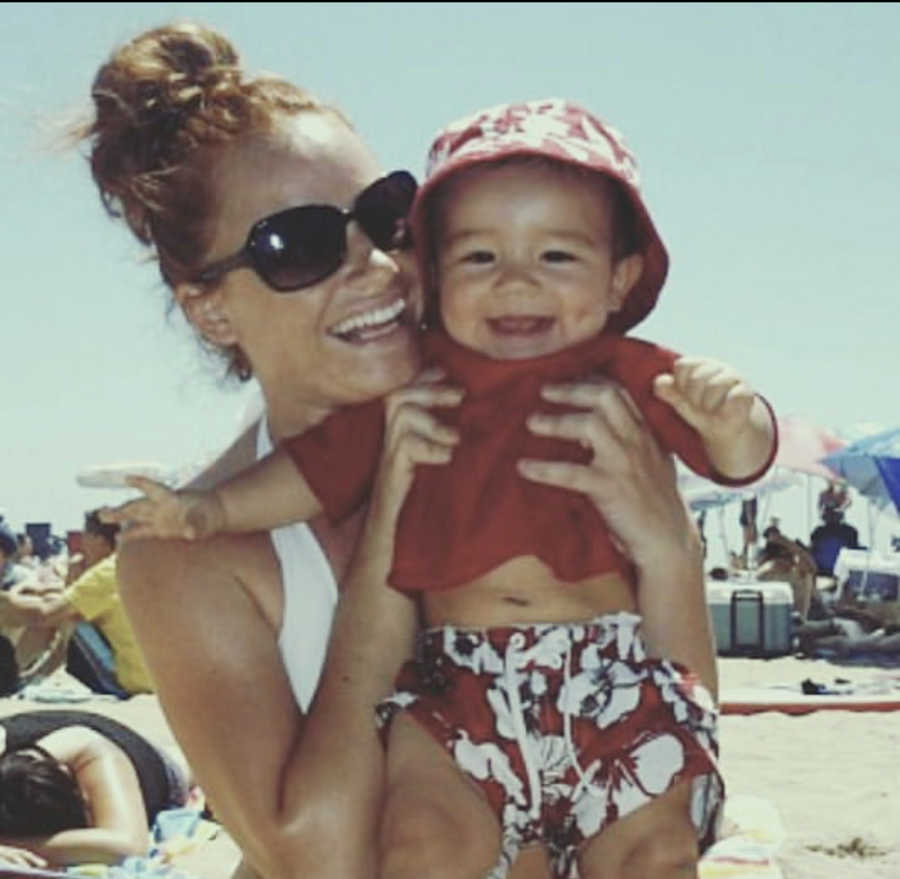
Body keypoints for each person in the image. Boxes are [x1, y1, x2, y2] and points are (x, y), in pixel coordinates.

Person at [83, 24, 719, 879]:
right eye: (299, 245)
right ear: (211, 308)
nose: (377, 265)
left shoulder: (565, 424)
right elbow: (319, 854)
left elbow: (683, 735)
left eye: (387, 216)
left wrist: (670, 548)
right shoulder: (189, 557)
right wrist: (391, 531)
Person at [0, 709, 190, 866]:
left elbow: (128, 847)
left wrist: (11, 843)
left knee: (197, 765)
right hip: (28, 751)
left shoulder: (88, 749)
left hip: (149, 761)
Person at [10, 510, 153, 696]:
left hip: (129, 682)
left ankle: (11, 676)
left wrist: (13, 594)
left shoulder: (107, 572)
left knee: (65, 616)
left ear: (99, 540)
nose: (81, 542)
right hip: (158, 678)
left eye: (86, 535)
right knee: (69, 610)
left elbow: (47, 613)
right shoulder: (139, 566)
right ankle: (28, 675)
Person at [809, 508, 861, 576]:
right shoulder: (818, 533)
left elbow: (856, 553)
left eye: (834, 515)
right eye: (830, 515)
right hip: (821, 575)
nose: (832, 517)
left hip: (844, 576)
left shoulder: (849, 533)